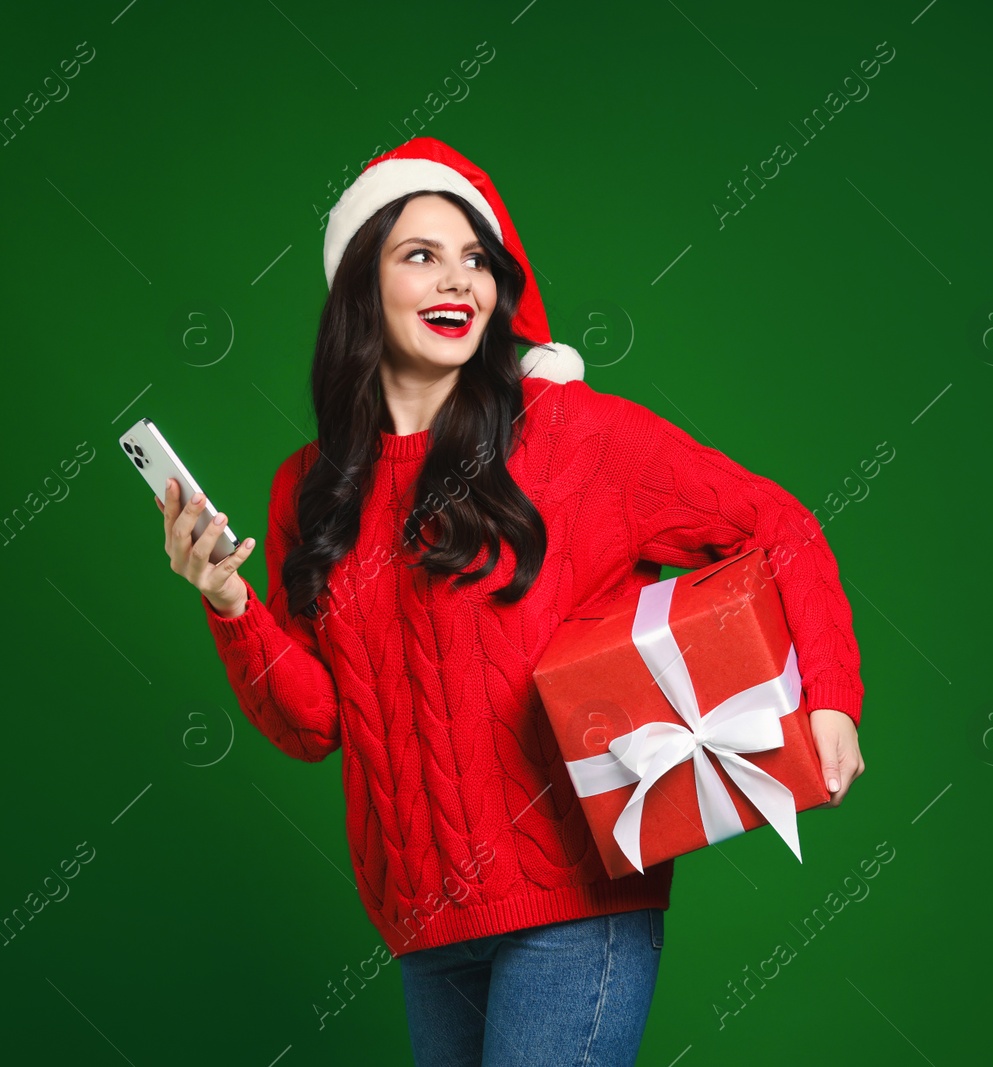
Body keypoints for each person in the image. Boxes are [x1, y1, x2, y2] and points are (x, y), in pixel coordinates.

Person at [154, 137, 866, 1066]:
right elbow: (317, 723)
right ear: (359, 287)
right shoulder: (311, 490)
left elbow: (782, 528)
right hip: (421, 922)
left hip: (577, 910)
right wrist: (229, 599)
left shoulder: (572, 436)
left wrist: (832, 701)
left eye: (476, 258)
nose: (459, 281)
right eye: (421, 255)